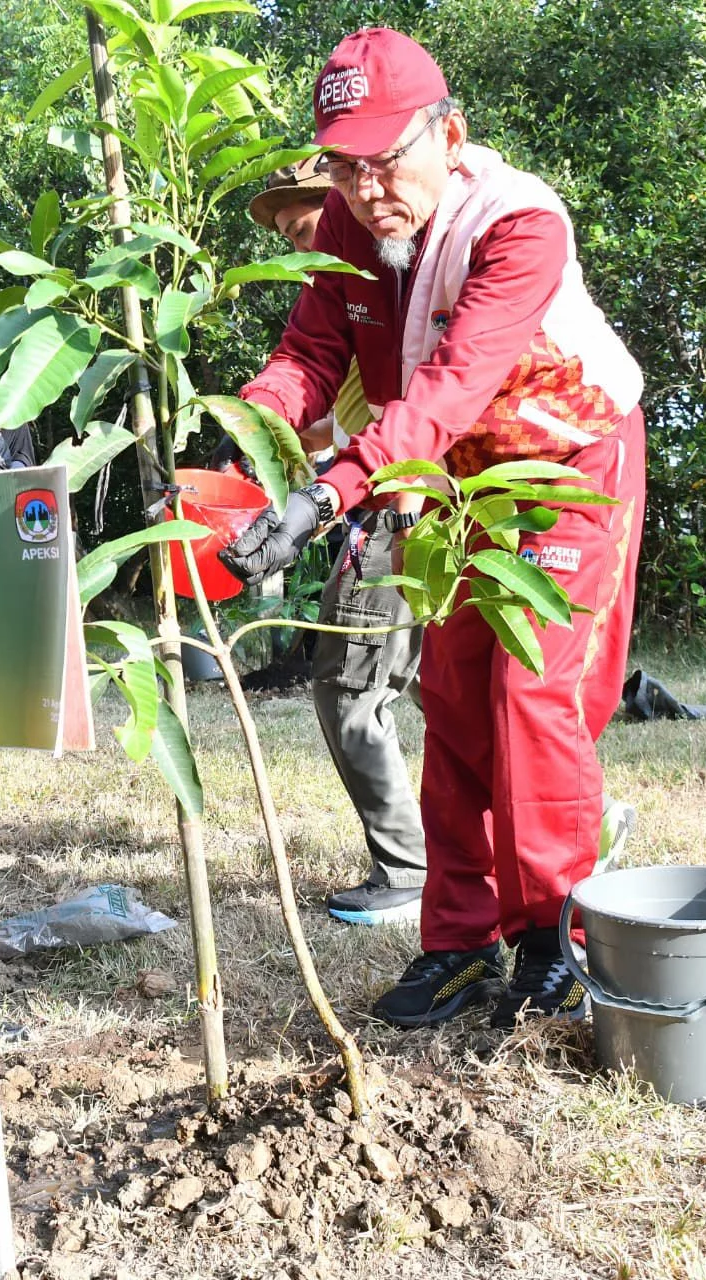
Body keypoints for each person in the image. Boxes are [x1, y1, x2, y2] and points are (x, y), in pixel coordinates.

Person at [219, 27, 646, 1030]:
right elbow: (310, 354)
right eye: (344, 167)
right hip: (451, 483)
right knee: (452, 699)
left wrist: (327, 494)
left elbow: (450, 388)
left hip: (565, 467)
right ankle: (460, 941)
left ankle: (556, 939)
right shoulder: (345, 224)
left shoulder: (520, 225)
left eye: (384, 160)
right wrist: (248, 442)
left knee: (529, 694)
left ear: (448, 137)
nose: (366, 191)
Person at [245, 158, 428, 926]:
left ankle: (409, 872)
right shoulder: (346, 302)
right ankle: (558, 835)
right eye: (289, 237)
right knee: (442, 688)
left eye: (305, 226)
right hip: (388, 496)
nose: (300, 246)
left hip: (405, 504)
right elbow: (323, 419)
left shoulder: (400, 272)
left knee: (349, 684)